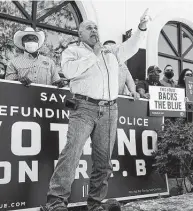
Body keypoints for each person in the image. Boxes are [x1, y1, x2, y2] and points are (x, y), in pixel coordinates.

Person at [43, 9, 150, 211]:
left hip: (110, 110)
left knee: (103, 161)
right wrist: (95, 54)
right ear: (80, 34)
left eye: (95, 27)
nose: (94, 30)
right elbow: (69, 71)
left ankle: (95, 204)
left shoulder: (112, 52)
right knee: (71, 154)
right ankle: (55, 202)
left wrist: (142, 27)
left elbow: (132, 46)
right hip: (83, 107)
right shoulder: (73, 52)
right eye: (88, 28)